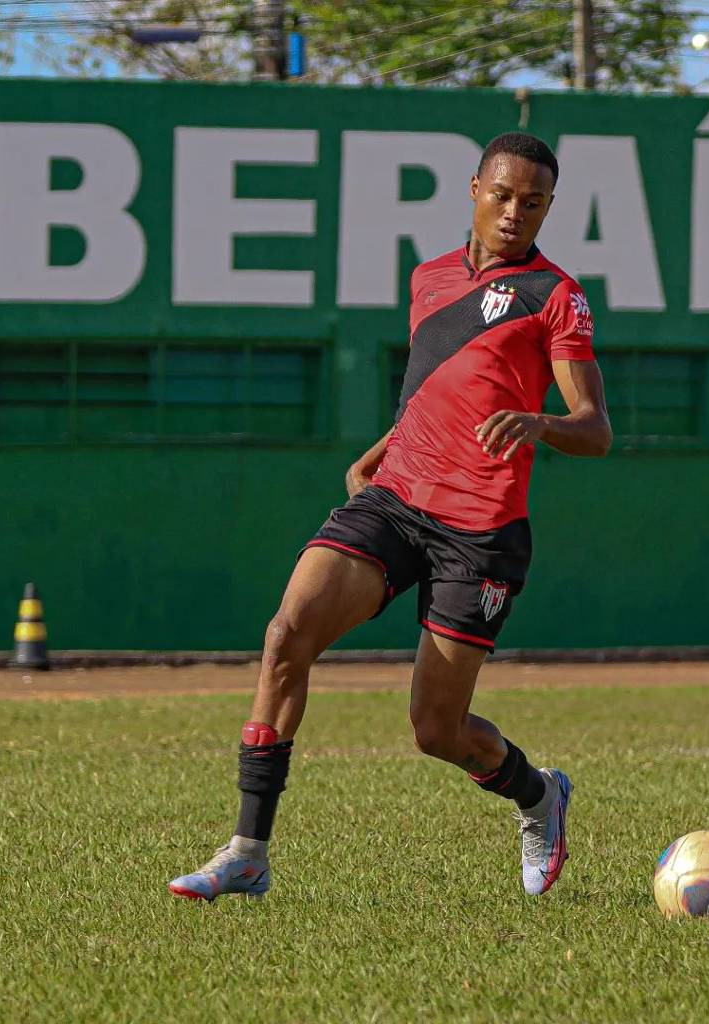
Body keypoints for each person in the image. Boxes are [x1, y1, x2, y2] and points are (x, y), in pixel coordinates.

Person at [168, 131, 612, 902]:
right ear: (474, 189)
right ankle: (247, 852)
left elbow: (595, 429)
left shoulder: (556, 295)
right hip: (397, 498)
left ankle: (539, 795)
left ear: (548, 208)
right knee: (286, 637)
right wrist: (385, 446)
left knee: (437, 731)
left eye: (534, 202)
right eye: (503, 195)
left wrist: (539, 423)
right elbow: (436, 383)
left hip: (480, 530)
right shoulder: (429, 277)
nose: (515, 212)